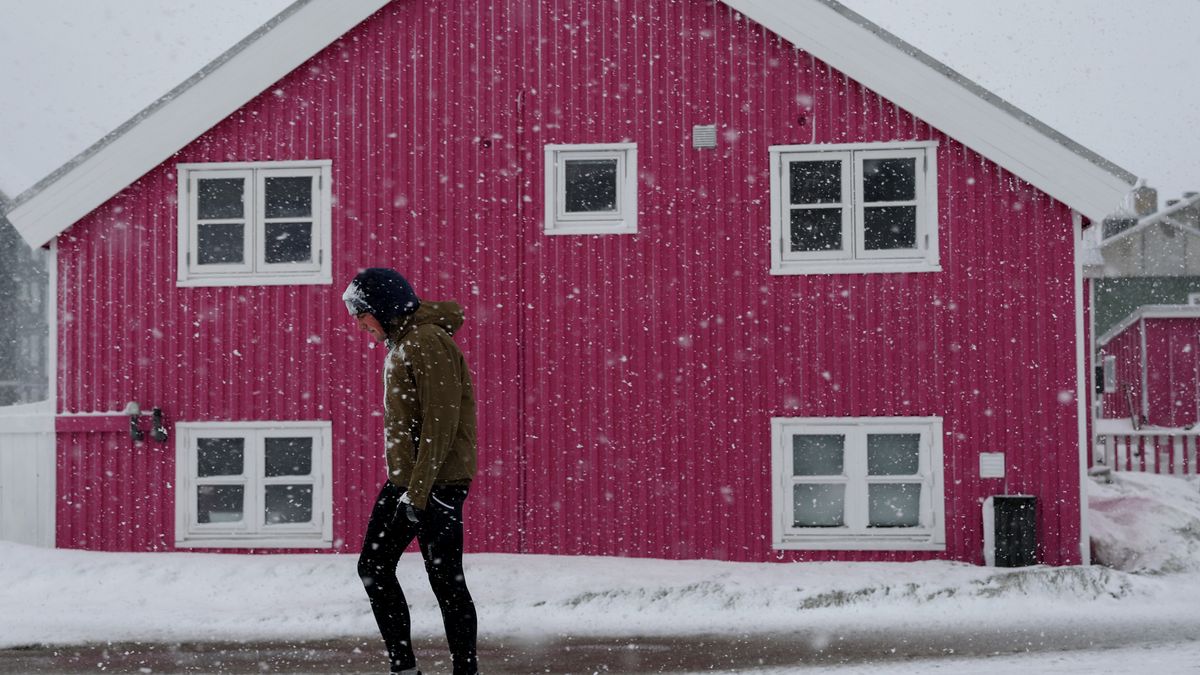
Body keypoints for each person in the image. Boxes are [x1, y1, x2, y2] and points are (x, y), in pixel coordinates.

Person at [344, 268, 479, 675]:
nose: (359, 324)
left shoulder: (426, 342)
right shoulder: (404, 343)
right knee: (375, 566)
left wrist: (419, 494)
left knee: (444, 579)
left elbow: (441, 423)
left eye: (361, 313)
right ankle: (405, 668)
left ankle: (463, 671)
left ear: (384, 309)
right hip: (413, 481)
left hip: (436, 483)